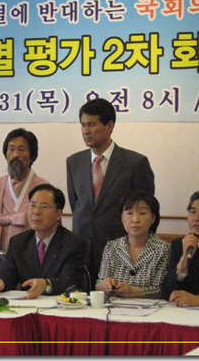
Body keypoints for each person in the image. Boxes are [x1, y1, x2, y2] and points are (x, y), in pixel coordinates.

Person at [66, 98, 154, 281]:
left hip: (120, 253)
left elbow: (146, 211)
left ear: (109, 126)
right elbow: (77, 204)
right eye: (83, 125)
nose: (86, 131)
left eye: (92, 124)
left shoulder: (135, 163)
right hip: (82, 251)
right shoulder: (74, 162)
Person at [0, 184, 88, 299]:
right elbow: (8, 273)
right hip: (28, 303)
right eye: (33, 205)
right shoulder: (18, 242)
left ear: (58, 214)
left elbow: (71, 280)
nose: (36, 212)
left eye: (44, 207)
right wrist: (0, 281)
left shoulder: (73, 243)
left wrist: (46, 284)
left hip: (59, 305)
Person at [0, 128, 49, 252]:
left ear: (32, 155)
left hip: (33, 255)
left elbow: (50, 228)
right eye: (11, 149)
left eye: (21, 149)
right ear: (6, 154)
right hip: (1, 254)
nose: (15, 155)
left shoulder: (44, 188)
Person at [96, 190, 169, 299]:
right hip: (114, 306)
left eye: (142, 213)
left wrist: (133, 291)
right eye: (129, 213)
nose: (135, 220)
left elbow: (161, 290)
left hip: (149, 308)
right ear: (122, 218)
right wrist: (104, 286)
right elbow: (99, 283)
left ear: (153, 218)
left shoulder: (163, 249)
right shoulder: (112, 247)